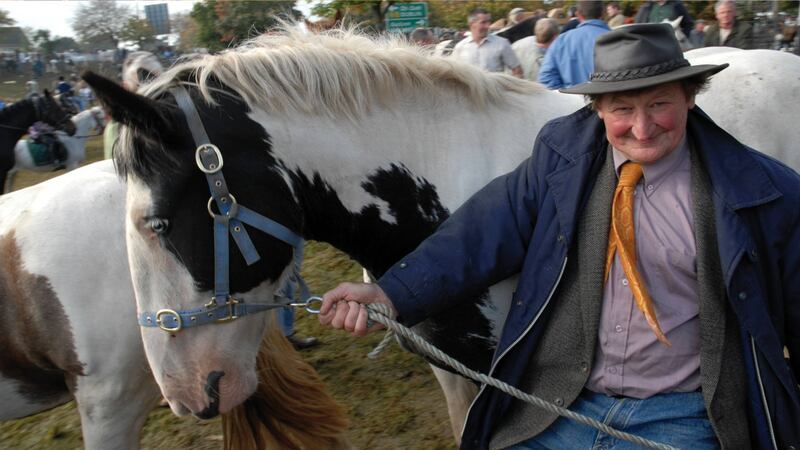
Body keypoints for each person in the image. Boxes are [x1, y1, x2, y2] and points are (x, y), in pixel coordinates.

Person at [319, 23, 800, 449]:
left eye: (659, 104)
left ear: (690, 97)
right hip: (561, 405)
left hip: (684, 417)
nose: (642, 126)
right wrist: (389, 292)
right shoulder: (562, 160)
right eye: (622, 108)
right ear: (596, 109)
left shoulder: (767, 194)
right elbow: (482, 232)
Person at [538, 1, 610, 90]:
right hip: (608, 101)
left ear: (578, 14)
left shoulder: (561, 41)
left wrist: (566, 98)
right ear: (603, 13)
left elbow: (546, 78)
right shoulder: (617, 39)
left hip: (572, 100)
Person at [452, 8, 522, 78]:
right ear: (472, 24)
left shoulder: (502, 43)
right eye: (483, 22)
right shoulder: (460, 47)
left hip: (494, 88)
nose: (488, 26)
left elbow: (517, 70)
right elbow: (453, 74)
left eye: (489, 22)